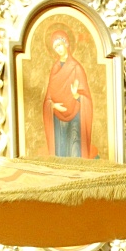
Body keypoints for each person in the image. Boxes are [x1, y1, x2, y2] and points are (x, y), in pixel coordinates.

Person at [42, 29, 97, 159]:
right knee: (60, 149)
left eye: (60, 45)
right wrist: (53, 106)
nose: (59, 49)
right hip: (57, 116)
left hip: (75, 116)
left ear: (66, 43)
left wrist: (76, 96)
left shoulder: (76, 67)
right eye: (56, 47)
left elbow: (86, 98)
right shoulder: (55, 68)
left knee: (74, 148)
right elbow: (48, 97)